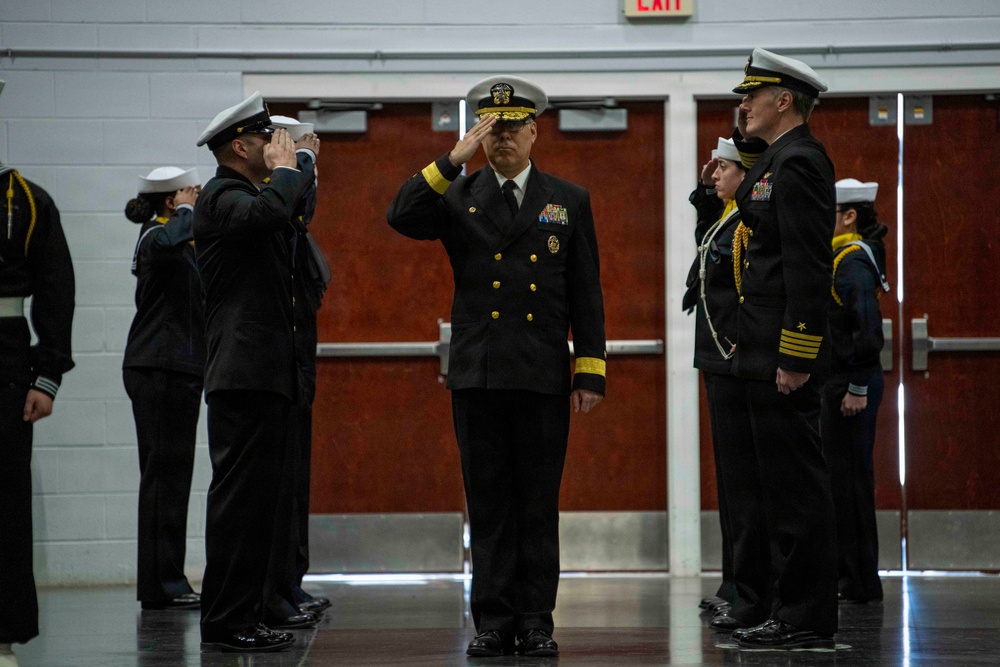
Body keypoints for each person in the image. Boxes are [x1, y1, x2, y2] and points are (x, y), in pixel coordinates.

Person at [387, 75, 606, 658]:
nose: (503, 139)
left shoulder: (568, 199)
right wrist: (449, 160)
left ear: (535, 131)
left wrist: (589, 370)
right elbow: (400, 215)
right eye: (492, 129)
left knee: (537, 501)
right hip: (479, 373)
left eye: (513, 128)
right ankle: (492, 620)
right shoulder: (459, 195)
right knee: (487, 502)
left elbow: (586, 293)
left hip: (539, 373)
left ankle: (536, 620)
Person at [713, 48, 839, 650]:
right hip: (758, 353)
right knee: (774, 490)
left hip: (781, 357)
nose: (742, 106)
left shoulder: (800, 162)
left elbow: (808, 268)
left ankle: (807, 614)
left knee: (796, 490)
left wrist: (795, 355)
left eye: (751, 96)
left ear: (782, 100)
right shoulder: (773, 162)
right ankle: (789, 609)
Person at [193, 91, 320, 652]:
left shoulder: (251, 193)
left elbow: (290, 217)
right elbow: (273, 211)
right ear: (239, 146)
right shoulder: (221, 197)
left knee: (261, 506)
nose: (277, 145)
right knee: (238, 506)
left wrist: (303, 171)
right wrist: (292, 168)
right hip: (242, 373)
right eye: (267, 138)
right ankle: (225, 621)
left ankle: (248, 611)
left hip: (268, 372)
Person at [0, 79, 76, 667]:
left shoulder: (27, 199)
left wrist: (46, 374)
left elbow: (55, 291)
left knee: (4, 499)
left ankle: (0, 635)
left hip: (5, 354)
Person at [682, 133, 765, 633]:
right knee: (733, 488)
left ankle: (750, 588)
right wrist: (704, 188)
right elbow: (703, 234)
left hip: (736, 360)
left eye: (723, 169)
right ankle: (736, 582)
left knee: (747, 489)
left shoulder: (747, 224)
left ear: (746, 174)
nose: (714, 177)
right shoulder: (727, 221)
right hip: (720, 361)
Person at [122, 167, 205, 612]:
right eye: (189, 193)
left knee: (173, 478)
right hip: (159, 368)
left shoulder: (170, 237)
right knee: (162, 479)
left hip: (174, 368)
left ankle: (167, 580)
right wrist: (189, 210)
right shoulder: (156, 237)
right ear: (171, 202)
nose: (197, 198)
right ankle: (161, 585)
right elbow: (178, 238)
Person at [260, 114, 332, 619]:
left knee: (294, 479)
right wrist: (301, 160)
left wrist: (308, 167)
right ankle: (272, 591)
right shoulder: (250, 201)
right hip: (264, 362)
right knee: (271, 487)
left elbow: (299, 210)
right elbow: (285, 206)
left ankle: (290, 582)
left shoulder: (280, 202)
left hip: (293, 354)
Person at [823, 178, 890, 604]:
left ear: (849, 216)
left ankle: (861, 581)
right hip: (844, 380)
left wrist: (857, 387)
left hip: (853, 385)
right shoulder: (841, 258)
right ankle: (850, 575)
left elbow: (867, 332)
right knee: (842, 481)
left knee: (850, 483)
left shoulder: (852, 264)